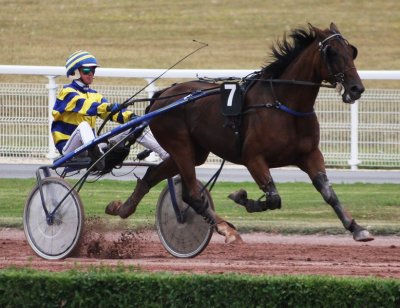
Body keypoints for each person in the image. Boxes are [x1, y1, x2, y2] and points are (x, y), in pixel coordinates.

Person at [51, 50, 168, 170]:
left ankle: (167, 156)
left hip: (90, 146)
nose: (91, 74)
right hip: (69, 148)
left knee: (135, 126)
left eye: (93, 70)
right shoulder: (66, 92)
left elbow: (111, 113)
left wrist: (132, 117)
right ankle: (97, 155)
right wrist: (108, 107)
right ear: (75, 72)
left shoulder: (94, 95)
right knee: (84, 126)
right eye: (86, 70)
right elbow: (86, 106)